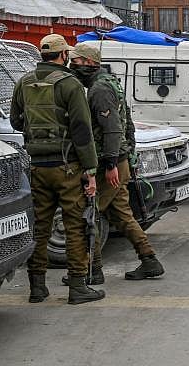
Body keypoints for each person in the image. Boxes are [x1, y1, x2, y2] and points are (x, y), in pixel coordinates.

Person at [10, 34, 105, 304]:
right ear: (63, 55)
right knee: (75, 225)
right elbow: (82, 131)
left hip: (37, 167)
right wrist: (90, 170)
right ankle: (77, 287)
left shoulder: (24, 82)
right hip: (68, 167)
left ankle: (37, 288)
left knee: (41, 227)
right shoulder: (70, 84)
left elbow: (17, 121)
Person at [66, 43, 165, 281]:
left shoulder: (99, 89)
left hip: (107, 163)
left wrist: (111, 163)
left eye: (76, 61)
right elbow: (127, 124)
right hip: (118, 160)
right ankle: (149, 259)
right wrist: (127, 156)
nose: (73, 65)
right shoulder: (110, 83)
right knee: (122, 215)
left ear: (89, 62)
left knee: (90, 213)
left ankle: (93, 270)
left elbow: (112, 129)